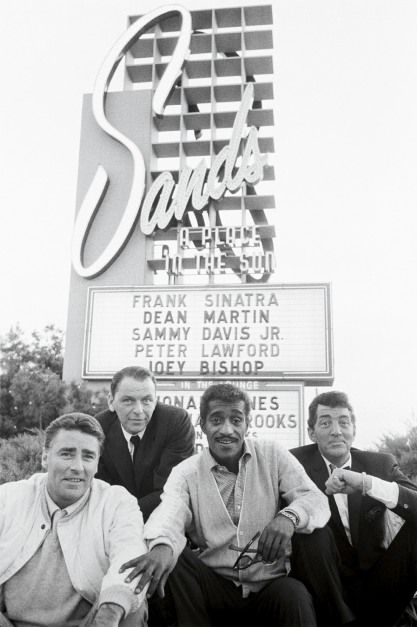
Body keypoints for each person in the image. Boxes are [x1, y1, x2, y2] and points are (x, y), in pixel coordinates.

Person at [120, 383, 331, 627]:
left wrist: (289, 517)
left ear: (247, 424)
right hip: (214, 585)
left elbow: (315, 500)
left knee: (294, 594)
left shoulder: (273, 454)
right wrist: (162, 545)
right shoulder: (186, 471)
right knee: (173, 557)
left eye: (236, 419)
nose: (226, 430)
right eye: (217, 420)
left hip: (268, 587)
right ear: (203, 425)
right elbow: (170, 512)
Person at [0, 412, 147, 627]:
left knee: (129, 607)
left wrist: (108, 616)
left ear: (97, 464)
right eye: (67, 454)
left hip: (90, 623)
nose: (77, 466)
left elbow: (129, 558)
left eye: (88, 456)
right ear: (44, 458)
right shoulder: (8, 498)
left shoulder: (117, 502)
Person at [291, 390, 417, 627]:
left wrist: (366, 483)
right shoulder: (294, 464)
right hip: (324, 591)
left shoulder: (380, 464)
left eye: (343, 422)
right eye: (325, 423)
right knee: (309, 531)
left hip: (378, 586)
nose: (336, 431)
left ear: (354, 430)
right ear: (311, 432)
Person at [95, 366, 195, 521]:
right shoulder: (98, 429)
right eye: (128, 401)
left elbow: (171, 489)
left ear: (156, 400)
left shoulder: (175, 422)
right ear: (111, 402)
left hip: (162, 518)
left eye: (147, 400)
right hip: (110, 522)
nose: (139, 410)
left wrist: (125, 515)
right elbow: (99, 490)